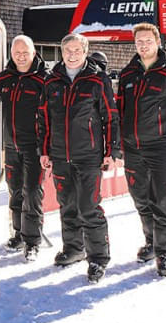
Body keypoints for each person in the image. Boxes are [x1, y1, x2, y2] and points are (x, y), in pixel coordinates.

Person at [37, 33, 121, 283]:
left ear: (85, 52)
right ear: (62, 52)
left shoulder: (97, 79)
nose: (72, 55)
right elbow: (43, 118)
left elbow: (111, 116)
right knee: (68, 205)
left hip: (89, 156)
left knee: (89, 207)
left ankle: (98, 258)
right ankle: (73, 249)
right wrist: (45, 151)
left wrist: (112, 150)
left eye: (77, 50)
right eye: (67, 50)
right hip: (60, 155)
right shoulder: (51, 80)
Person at [117, 23, 166, 277]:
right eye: (139, 41)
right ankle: (151, 242)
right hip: (132, 148)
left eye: (148, 40)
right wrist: (117, 146)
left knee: (163, 200)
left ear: (157, 42)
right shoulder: (128, 74)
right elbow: (118, 112)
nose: (143, 45)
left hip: (161, 148)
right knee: (141, 198)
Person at [0, 35, 47, 261]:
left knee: (32, 193)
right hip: (11, 145)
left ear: (33, 53)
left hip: (35, 147)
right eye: (16, 53)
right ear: (11, 54)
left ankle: (32, 241)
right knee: (15, 191)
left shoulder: (44, 79)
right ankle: (19, 234)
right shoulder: (5, 77)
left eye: (25, 53)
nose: (21, 57)